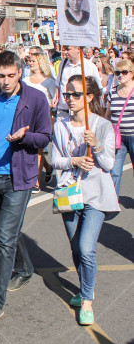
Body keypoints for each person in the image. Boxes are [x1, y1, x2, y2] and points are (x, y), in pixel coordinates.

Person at [0, 51, 51, 321]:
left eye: (11, 76)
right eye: (1, 76)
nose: (5, 81)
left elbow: (44, 137)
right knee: (8, 232)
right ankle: (25, 269)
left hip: (19, 177)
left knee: (3, 238)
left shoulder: (35, 98)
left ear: (20, 72)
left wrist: (24, 138)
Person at [51, 76, 119, 325]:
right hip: (70, 192)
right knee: (75, 246)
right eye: (67, 94)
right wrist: (75, 161)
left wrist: (97, 145)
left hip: (96, 193)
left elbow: (109, 164)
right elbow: (55, 160)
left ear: (89, 97)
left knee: (87, 247)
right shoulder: (60, 125)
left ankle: (88, 299)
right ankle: (83, 288)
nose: (69, 99)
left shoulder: (102, 125)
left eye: (76, 95)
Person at [23, 50, 57, 191]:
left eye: (33, 61)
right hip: (27, 117)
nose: (30, 64)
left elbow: (55, 100)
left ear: (40, 63)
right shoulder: (25, 81)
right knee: (29, 148)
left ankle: (35, 181)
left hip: (43, 117)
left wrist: (50, 105)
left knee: (38, 149)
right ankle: (47, 167)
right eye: (29, 61)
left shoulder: (49, 82)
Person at [107, 58, 134, 195]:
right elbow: (107, 115)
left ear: (132, 73)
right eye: (117, 73)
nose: (120, 75)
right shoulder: (113, 91)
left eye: (124, 72)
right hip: (118, 138)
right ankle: (112, 201)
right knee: (115, 171)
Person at [53, 46, 101, 119]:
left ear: (78, 49)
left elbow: (97, 89)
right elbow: (59, 83)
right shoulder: (63, 63)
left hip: (81, 113)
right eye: (64, 50)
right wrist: (55, 97)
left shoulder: (89, 66)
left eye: (68, 49)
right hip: (63, 110)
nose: (65, 52)